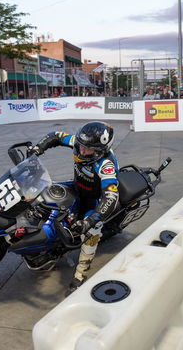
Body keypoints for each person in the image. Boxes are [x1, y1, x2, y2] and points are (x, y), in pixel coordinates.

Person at [30, 122, 119, 295]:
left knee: (91, 233)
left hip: (95, 199)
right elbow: (56, 135)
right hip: (77, 187)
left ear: (100, 151)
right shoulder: (81, 143)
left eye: (88, 150)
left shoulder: (105, 165)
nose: (82, 151)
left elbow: (111, 197)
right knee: (44, 195)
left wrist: (90, 221)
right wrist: (38, 148)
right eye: (81, 146)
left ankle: (81, 274)